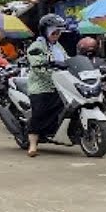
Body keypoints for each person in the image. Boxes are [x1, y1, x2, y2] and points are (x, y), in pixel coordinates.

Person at [25, 15, 68, 157]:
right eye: (54, 32)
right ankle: (32, 145)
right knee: (39, 113)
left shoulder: (59, 47)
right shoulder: (36, 46)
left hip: (59, 85)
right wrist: (52, 74)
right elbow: (37, 67)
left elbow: (67, 60)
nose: (56, 35)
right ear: (45, 31)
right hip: (41, 86)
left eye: (58, 33)